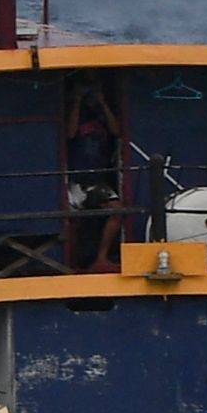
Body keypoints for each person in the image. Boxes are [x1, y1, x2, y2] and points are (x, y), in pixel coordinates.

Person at [65, 72, 123, 271]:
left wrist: (103, 103)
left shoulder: (102, 117)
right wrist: (77, 102)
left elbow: (116, 131)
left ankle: (102, 257)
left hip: (97, 180)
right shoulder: (75, 115)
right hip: (75, 180)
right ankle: (70, 263)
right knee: (71, 221)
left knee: (117, 210)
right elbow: (70, 133)